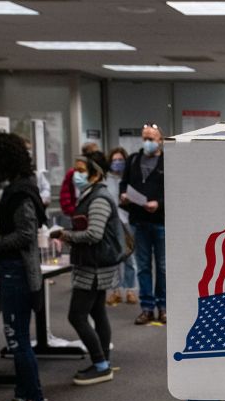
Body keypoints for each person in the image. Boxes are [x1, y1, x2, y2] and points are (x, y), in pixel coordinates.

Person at [0, 132, 50, 401]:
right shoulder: (15, 190)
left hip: (17, 274)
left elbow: (24, 235)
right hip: (11, 272)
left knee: (18, 342)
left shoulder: (21, 194)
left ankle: (35, 400)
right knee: (16, 340)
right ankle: (22, 398)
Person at [50, 151, 121, 385]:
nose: (75, 175)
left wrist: (66, 235)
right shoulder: (90, 194)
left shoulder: (98, 198)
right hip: (94, 264)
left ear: (94, 174)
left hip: (94, 267)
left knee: (76, 316)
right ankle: (104, 362)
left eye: (81, 170)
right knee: (97, 312)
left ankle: (101, 364)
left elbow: (94, 234)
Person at [121, 123, 166, 325]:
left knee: (163, 267)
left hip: (161, 221)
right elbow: (124, 185)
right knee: (143, 267)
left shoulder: (167, 162)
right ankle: (147, 307)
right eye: (145, 138)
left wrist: (159, 204)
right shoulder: (133, 160)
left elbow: (176, 191)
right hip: (139, 220)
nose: (147, 142)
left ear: (160, 140)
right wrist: (124, 196)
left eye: (151, 138)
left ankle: (163, 307)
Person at [104, 146, 139, 306]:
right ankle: (115, 290)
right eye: (114, 160)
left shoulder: (130, 178)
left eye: (120, 160)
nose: (117, 163)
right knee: (113, 258)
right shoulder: (105, 179)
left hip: (127, 221)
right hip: (111, 223)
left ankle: (130, 289)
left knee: (129, 258)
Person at [59, 140, 100, 216]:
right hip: (78, 212)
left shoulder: (98, 172)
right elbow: (65, 195)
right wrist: (73, 212)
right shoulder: (73, 173)